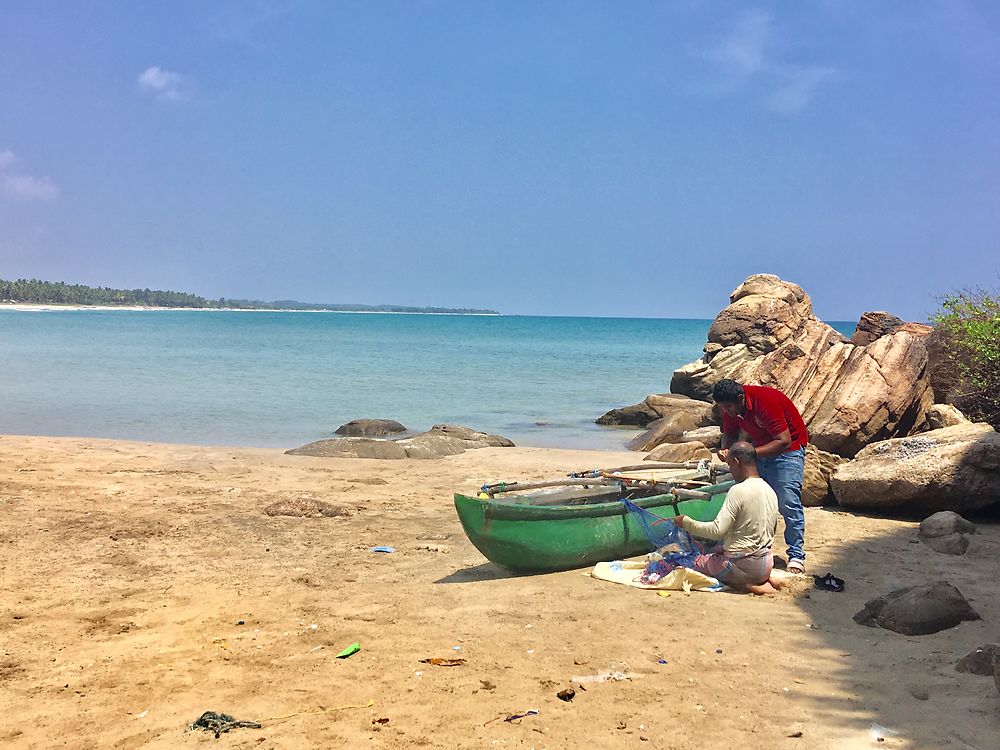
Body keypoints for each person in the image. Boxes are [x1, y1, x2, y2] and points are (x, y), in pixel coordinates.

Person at [712, 378, 808, 574]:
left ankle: (796, 555)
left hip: (787, 451)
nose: (728, 411)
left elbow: (784, 441)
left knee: (787, 502)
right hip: (758, 447)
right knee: (749, 497)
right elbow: (729, 433)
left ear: (740, 398)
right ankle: (752, 547)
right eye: (723, 407)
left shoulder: (765, 402)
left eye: (729, 407)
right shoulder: (730, 407)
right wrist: (725, 449)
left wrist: (750, 454)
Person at [672, 441, 780, 594]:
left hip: (743, 566)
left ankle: (748, 585)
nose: (731, 470)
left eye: (730, 465)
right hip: (766, 562)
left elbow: (717, 531)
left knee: (692, 562)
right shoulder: (769, 490)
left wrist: (686, 522)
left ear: (737, 462)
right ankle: (762, 579)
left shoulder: (738, 490)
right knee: (718, 550)